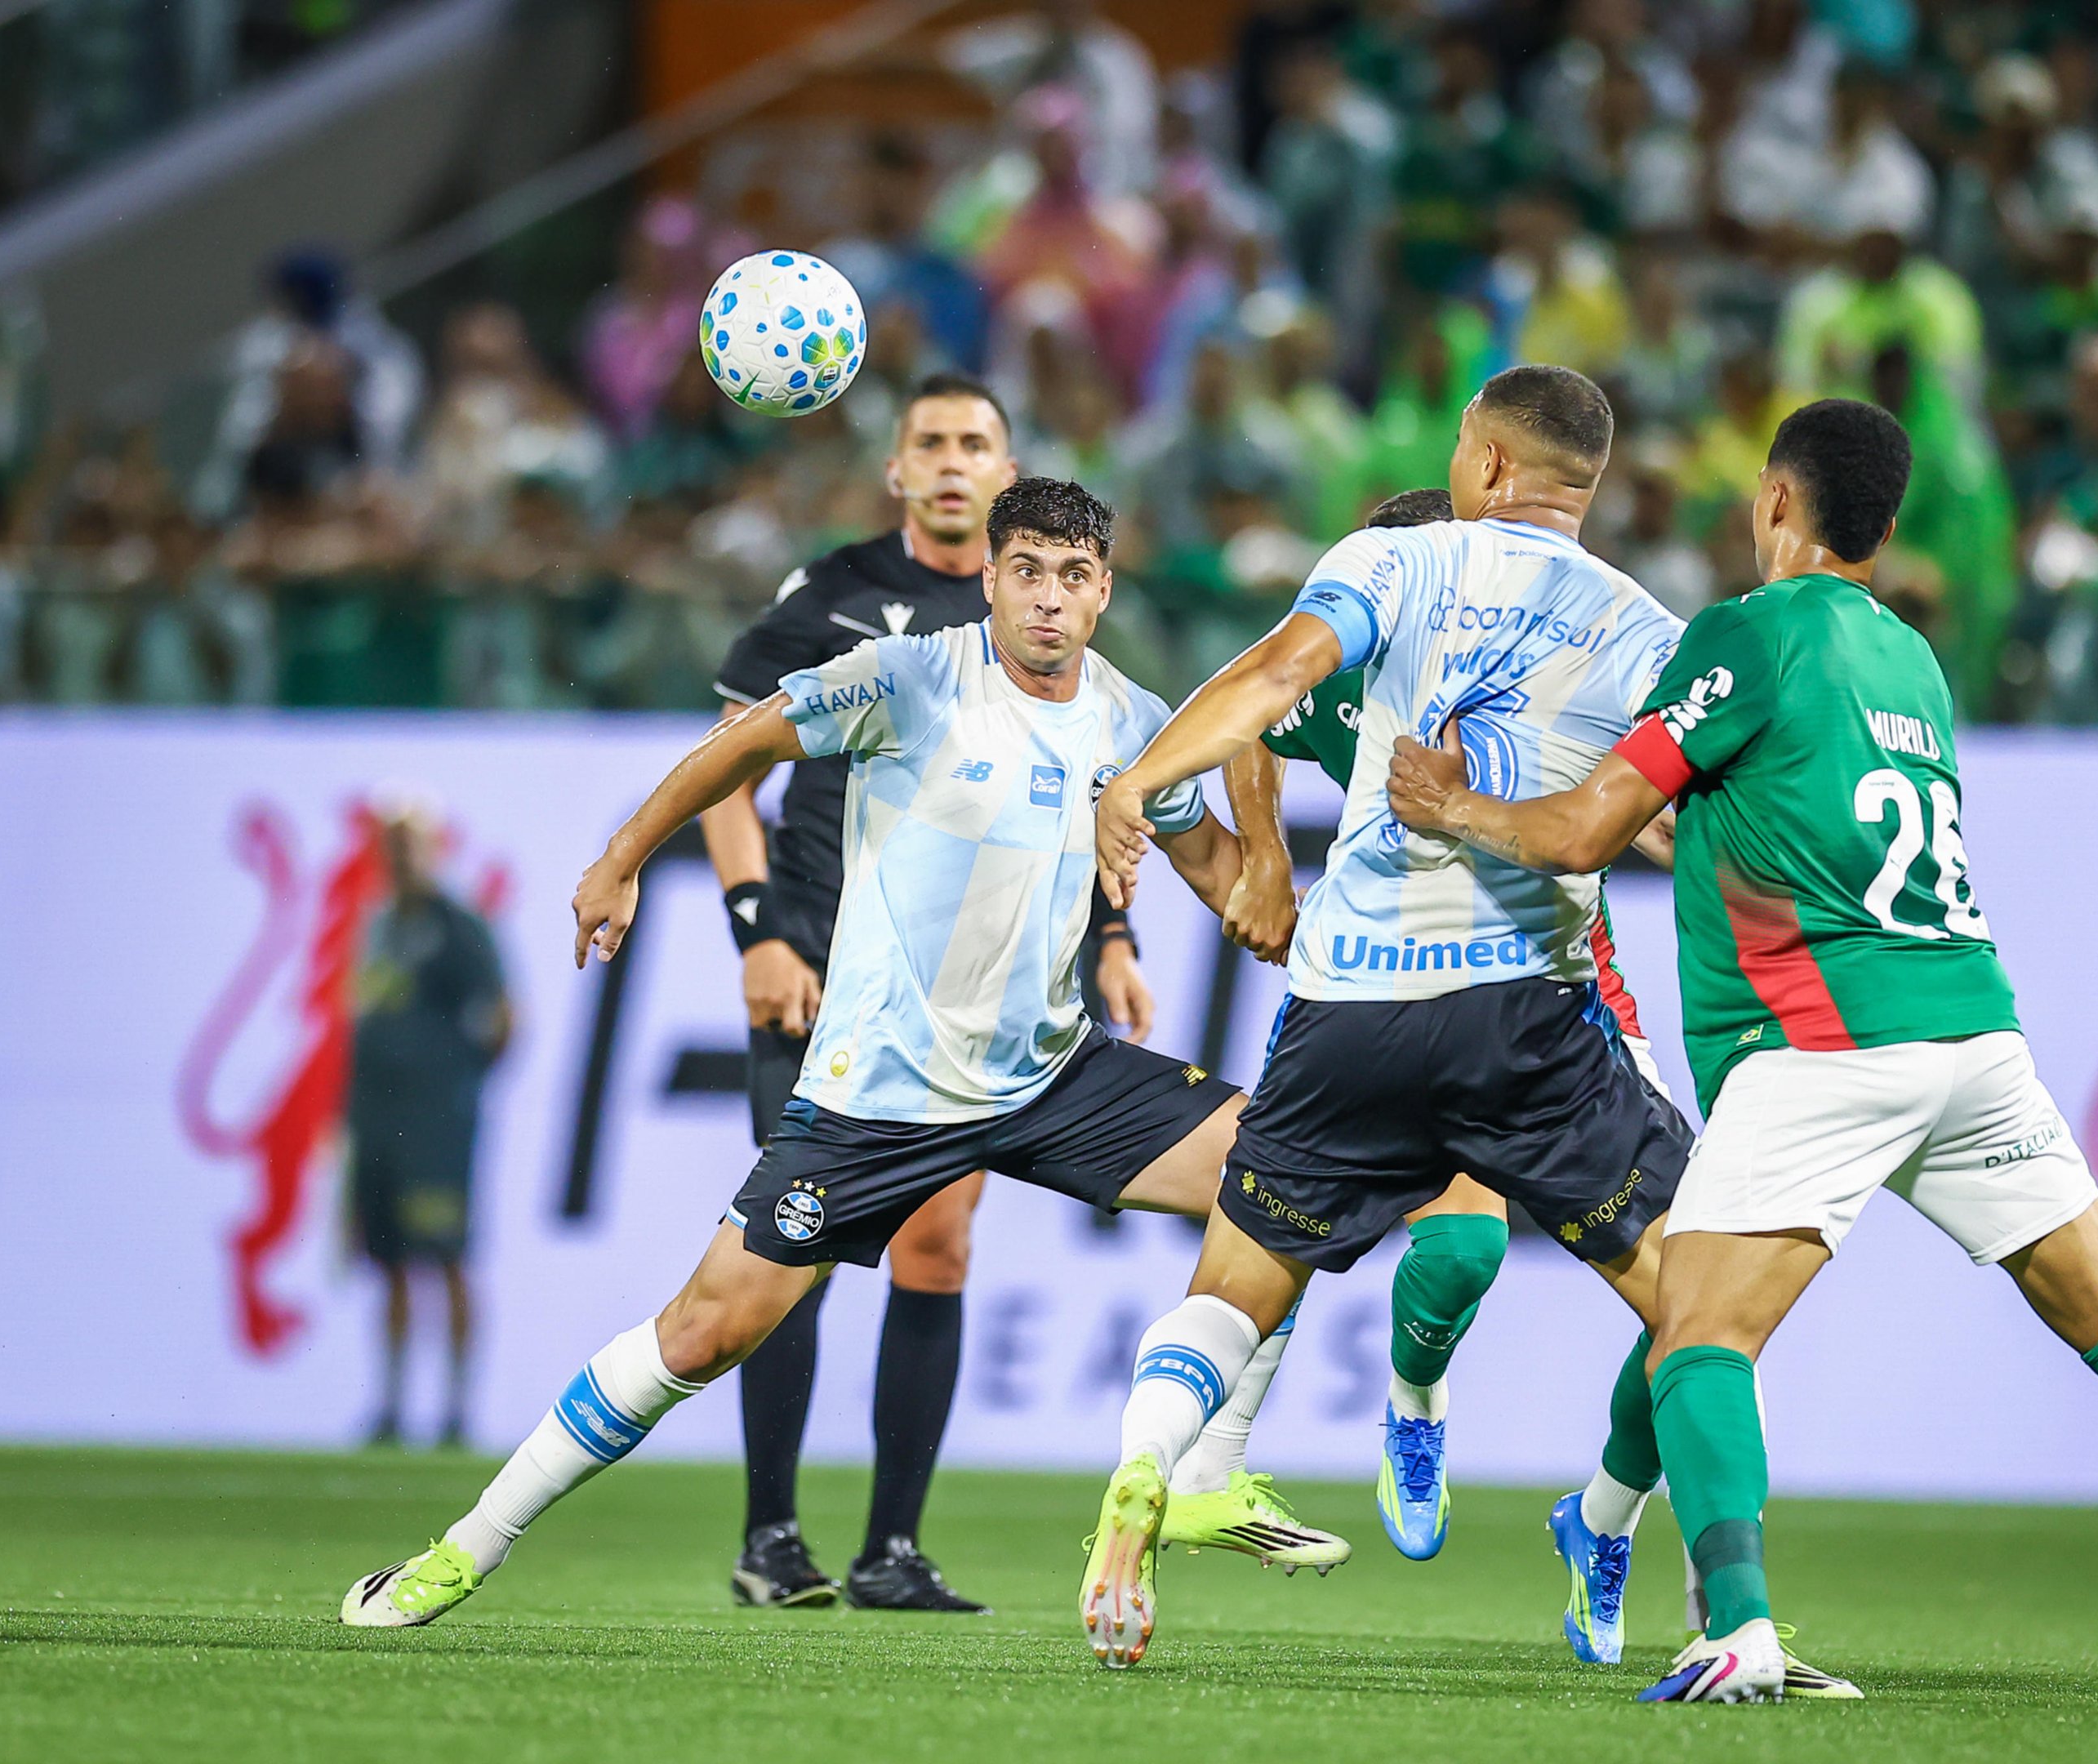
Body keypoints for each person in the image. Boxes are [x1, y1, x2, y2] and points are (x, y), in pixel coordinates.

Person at [1383, 397, 2098, 1704]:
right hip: (1970, 1039)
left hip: (1819, 1045)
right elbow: (1772, 822)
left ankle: (1737, 1628)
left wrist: (1451, 803)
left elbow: (1576, 835)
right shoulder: (1910, 660)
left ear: (1772, 501)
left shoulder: (1743, 632)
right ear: (1885, 530)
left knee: (1697, 1339)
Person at [339, 478, 1345, 1630]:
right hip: (878, 1095)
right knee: (703, 1333)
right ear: (989, 578)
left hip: (1050, 1075)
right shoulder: (907, 677)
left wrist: (1285, 899)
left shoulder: (1131, 720)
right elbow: (744, 740)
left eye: (1073, 577)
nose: (1048, 599)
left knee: (1284, 1170)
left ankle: (1204, 1472)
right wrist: (621, 857)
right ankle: (464, 1548)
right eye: (1026, 571)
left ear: (1104, 592)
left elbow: (1218, 870)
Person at [1080, 367, 1689, 1673]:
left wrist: (1135, 783)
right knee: (1698, 1298)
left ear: (1484, 463)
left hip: (1369, 999)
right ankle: (1705, 1596)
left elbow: (1262, 676)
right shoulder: (1632, 624)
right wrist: (1259, 857)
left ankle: (1157, 1472)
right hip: (1514, 1009)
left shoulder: (1390, 579)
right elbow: (1679, 815)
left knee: (1242, 1285)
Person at [1235, 487, 1840, 1683]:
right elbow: (1254, 723)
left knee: (1700, 1310)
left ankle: (1621, 1533)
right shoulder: (1354, 671)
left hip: (1562, 1004)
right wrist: (1261, 852)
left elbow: (1640, 805)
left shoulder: (1554, 669)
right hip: (1404, 996)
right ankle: (1415, 1398)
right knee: (1463, 1254)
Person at [703, 373, 1151, 1612]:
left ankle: (891, 1550)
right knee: (787, 1250)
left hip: (967, 988)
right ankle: (769, 1536)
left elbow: (1090, 790)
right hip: (817, 960)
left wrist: (1114, 938)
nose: (953, 462)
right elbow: (729, 767)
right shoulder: (830, 596)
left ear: (1006, 474)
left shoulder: (1038, 608)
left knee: (940, 1246)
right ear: (896, 471)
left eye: (974, 443)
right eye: (930, 444)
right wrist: (755, 929)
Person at [348, 800, 510, 1450]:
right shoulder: (382, 924)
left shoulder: (458, 926)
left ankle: (456, 1410)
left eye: (407, 844)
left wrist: (456, 1085)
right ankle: (390, 1407)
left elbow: (502, 1016)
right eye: (389, 845)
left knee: (447, 1258)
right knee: (389, 1262)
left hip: (436, 1126)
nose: (397, 858)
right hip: (379, 1119)